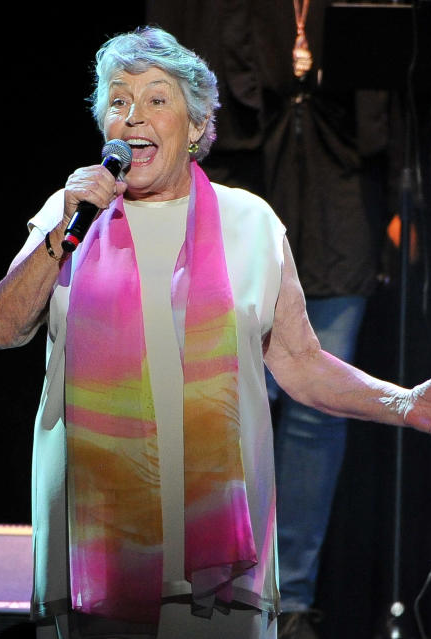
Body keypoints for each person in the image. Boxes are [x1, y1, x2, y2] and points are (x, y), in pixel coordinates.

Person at [0, 27, 431, 639]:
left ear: (197, 126)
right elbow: (1, 330)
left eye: (156, 99)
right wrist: (62, 228)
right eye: (117, 101)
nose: (133, 116)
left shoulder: (248, 223)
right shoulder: (69, 216)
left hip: (217, 554)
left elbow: (302, 362)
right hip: (98, 546)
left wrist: (402, 403)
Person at [143, 5, 389, 636]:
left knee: (316, 413)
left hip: (338, 192)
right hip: (238, 176)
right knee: (223, 396)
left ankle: (294, 596)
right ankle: (212, 586)